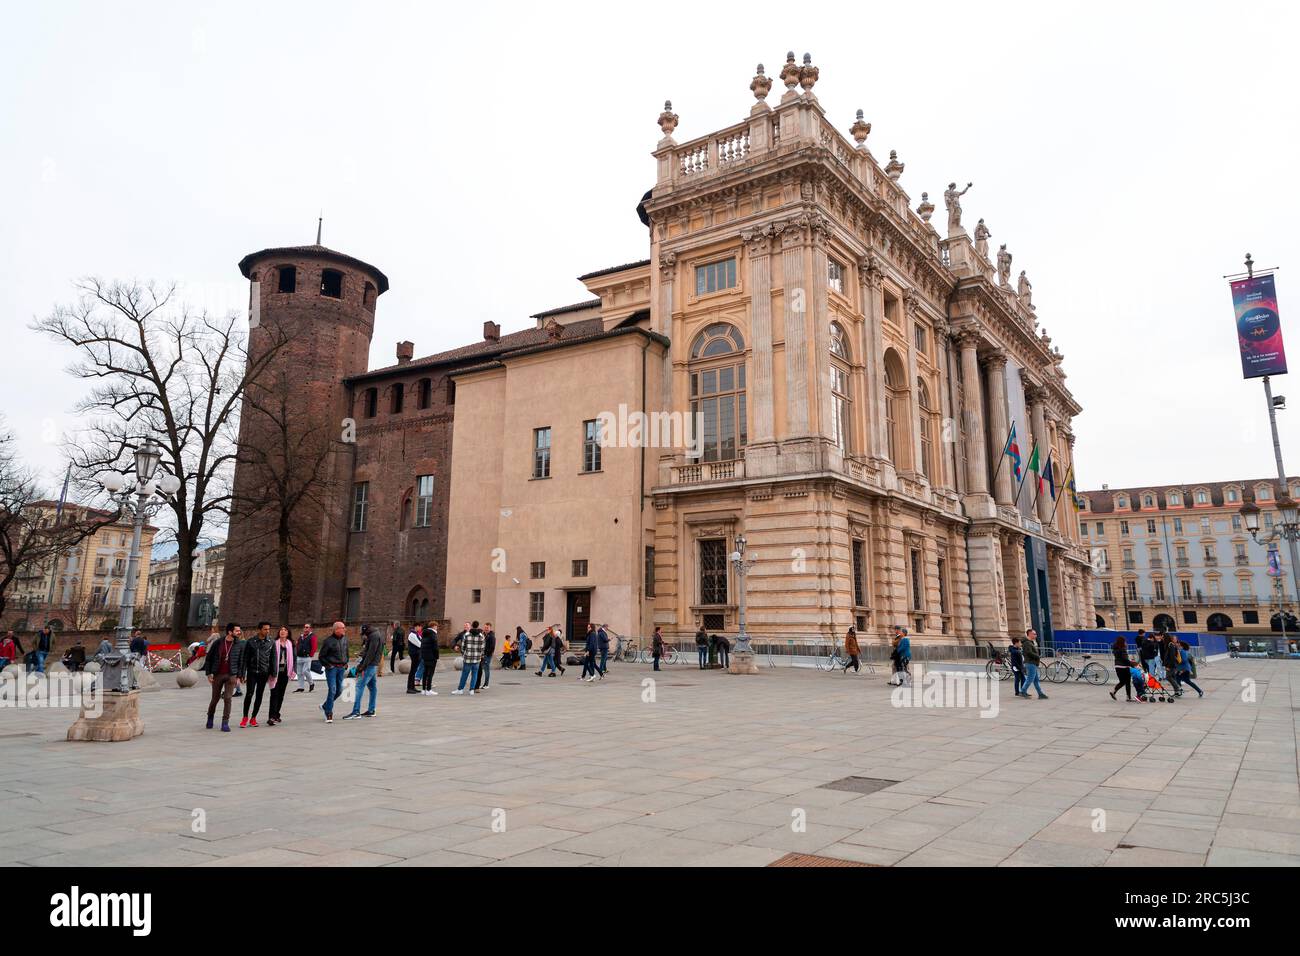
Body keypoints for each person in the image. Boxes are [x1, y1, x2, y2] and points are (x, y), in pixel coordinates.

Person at [203, 623, 246, 732]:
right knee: (215, 699)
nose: (239, 632)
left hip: (231, 675)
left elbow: (242, 661)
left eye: (239, 630)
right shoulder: (218, 643)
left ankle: (225, 723)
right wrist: (209, 673)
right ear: (230, 632)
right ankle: (210, 717)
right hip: (218, 674)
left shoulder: (240, 644)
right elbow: (209, 658)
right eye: (237, 631)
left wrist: (240, 676)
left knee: (228, 698)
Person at [345, 623, 383, 719]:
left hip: (369, 665)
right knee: (372, 688)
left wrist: (362, 666)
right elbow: (369, 650)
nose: (364, 636)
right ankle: (371, 710)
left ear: (366, 630)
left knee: (359, 686)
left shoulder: (373, 636)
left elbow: (371, 653)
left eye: (364, 633)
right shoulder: (377, 634)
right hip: (373, 665)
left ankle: (356, 711)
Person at [240, 621, 274, 728]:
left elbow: (273, 658)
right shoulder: (250, 642)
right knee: (249, 694)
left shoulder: (271, 642)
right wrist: (242, 673)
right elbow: (245, 658)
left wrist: (274, 673)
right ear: (259, 630)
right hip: (252, 672)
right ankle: (245, 717)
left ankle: (253, 717)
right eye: (265, 629)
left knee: (259, 695)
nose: (267, 631)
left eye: (268, 629)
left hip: (264, 673)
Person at [318, 621, 349, 723]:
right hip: (332, 669)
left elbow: (346, 652)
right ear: (336, 629)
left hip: (341, 669)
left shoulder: (345, 639)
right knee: (332, 690)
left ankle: (325, 706)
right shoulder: (328, 641)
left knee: (339, 691)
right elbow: (321, 656)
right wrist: (329, 665)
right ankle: (329, 713)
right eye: (343, 628)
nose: (345, 629)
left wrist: (346, 662)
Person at [266, 626, 296, 725]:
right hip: (275, 672)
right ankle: (271, 717)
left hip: (285, 672)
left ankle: (276, 714)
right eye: (281, 630)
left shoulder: (291, 644)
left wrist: (293, 669)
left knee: (281, 695)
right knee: (274, 694)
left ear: (288, 633)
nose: (283, 632)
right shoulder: (274, 643)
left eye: (285, 630)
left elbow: (294, 658)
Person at [453, 622, 485, 695]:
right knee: (474, 674)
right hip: (477, 659)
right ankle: (471, 690)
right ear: (477, 626)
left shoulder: (466, 635)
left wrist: (464, 653)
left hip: (468, 658)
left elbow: (463, 647)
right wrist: (480, 655)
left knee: (465, 674)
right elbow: (482, 648)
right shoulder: (481, 636)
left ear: (472, 626)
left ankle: (460, 689)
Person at [1020, 628, 1048, 700]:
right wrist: (1037, 656)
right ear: (1029, 634)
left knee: (1036, 680)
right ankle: (1023, 691)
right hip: (1030, 663)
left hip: (1033, 662)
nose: (1036, 635)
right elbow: (1028, 652)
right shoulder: (1027, 643)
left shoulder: (1030, 642)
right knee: (1030, 679)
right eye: (1034, 634)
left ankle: (1040, 694)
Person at [1109, 633, 1134, 702]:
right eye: (1125, 641)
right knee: (1127, 682)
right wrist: (1132, 664)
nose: (1126, 642)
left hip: (1117, 666)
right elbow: (1125, 659)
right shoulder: (1123, 649)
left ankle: (1113, 691)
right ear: (1123, 642)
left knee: (1122, 681)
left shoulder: (1115, 649)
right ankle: (1128, 697)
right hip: (1124, 667)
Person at [294, 623, 317, 693]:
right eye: (304, 627)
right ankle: (301, 687)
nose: (305, 629)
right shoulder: (301, 636)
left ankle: (311, 683)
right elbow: (297, 645)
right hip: (299, 656)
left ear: (310, 629)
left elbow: (314, 646)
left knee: (305, 671)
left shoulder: (312, 636)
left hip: (307, 657)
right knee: (299, 673)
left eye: (307, 627)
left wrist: (311, 655)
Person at [420, 623, 439, 695]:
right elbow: (435, 647)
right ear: (433, 626)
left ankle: (423, 690)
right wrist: (437, 656)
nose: (437, 628)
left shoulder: (424, 634)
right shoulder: (433, 634)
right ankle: (428, 689)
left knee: (425, 673)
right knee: (430, 673)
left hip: (425, 656)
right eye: (436, 626)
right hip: (432, 656)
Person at [406, 622, 424, 695]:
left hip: (417, 654)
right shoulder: (412, 635)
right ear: (416, 626)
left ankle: (412, 687)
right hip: (414, 654)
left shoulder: (416, 634)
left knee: (414, 671)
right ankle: (409, 688)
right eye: (420, 627)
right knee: (412, 671)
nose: (421, 629)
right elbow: (419, 644)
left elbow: (421, 641)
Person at [477, 623, 495, 690]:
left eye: (487, 627)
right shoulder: (484, 635)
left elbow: (492, 647)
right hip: (482, 655)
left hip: (487, 656)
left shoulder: (491, 636)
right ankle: (482, 684)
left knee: (486, 670)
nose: (486, 629)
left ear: (490, 628)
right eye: (485, 627)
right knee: (481, 670)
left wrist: (486, 655)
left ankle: (486, 684)